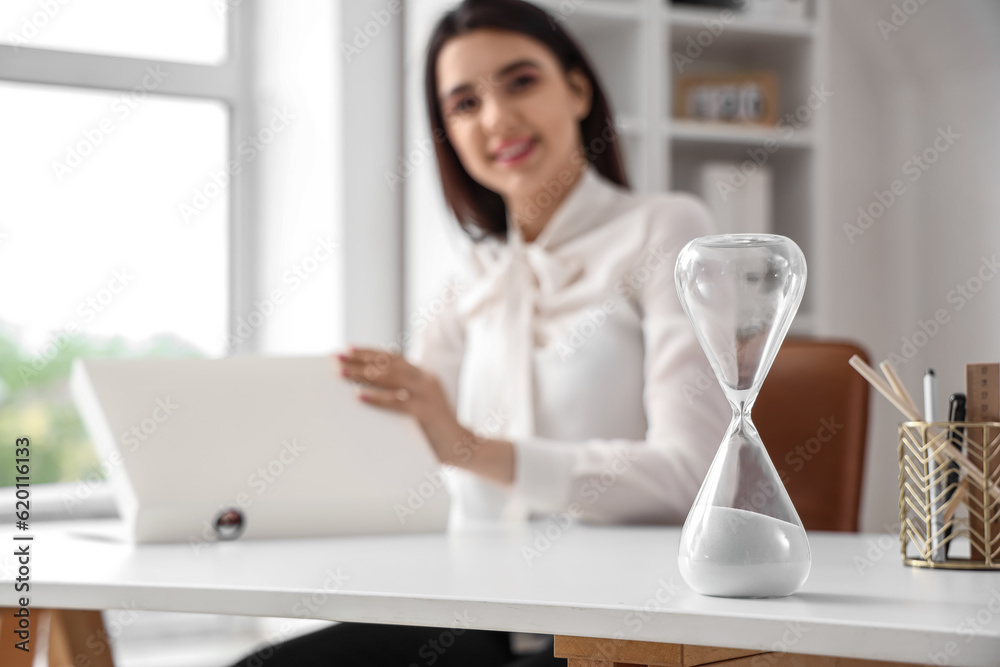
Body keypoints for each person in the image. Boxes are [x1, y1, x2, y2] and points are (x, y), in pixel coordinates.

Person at [229, 0, 728, 665]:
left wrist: (471, 447)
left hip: (616, 625)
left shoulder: (666, 228)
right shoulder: (472, 277)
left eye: (521, 81)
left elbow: (689, 477)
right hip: (475, 612)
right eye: (464, 104)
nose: (497, 119)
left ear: (577, 88)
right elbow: (412, 460)